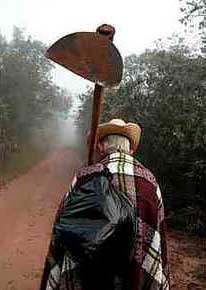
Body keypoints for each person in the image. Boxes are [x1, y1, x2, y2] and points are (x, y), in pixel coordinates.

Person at [40, 119, 170, 290]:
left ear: (101, 146)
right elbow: (158, 230)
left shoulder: (84, 176)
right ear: (131, 149)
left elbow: (63, 225)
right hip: (133, 273)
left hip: (87, 275)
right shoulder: (149, 181)